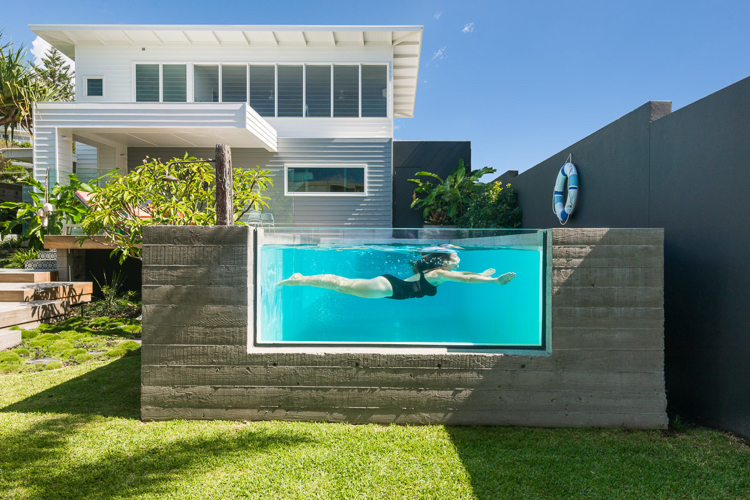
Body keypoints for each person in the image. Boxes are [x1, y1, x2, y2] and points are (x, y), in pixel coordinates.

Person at [276, 250, 516, 300]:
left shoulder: (440, 272)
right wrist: (493, 281)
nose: (459, 261)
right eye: (456, 258)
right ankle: (301, 279)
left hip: (390, 286)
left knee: (344, 286)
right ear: (444, 263)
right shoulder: (438, 273)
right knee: (343, 285)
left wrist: (483, 275)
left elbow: (465, 273)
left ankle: (301, 279)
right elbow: (464, 277)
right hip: (387, 288)